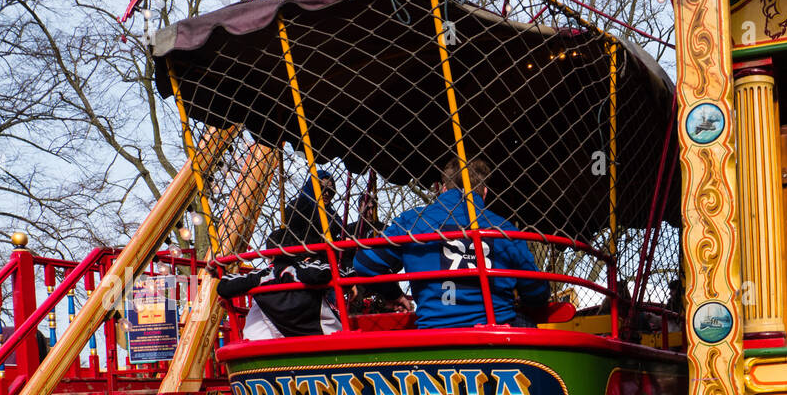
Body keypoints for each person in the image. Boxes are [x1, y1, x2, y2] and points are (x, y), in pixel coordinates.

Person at [351, 157, 550, 329]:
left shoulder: (413, 221)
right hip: (495, 329)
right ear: (485, 192)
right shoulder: (505, 228)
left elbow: (366, 263)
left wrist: (393, 293)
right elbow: (537, 293)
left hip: (434, 330)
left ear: (443, 188)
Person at [209, 229, 344, 340]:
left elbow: (224, 287)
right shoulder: (304, 270)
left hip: (279, 338)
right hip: (325, 336)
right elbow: (326, 274)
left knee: (257, 309)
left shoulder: (262, 276)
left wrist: (223, 273)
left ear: (270, 256)